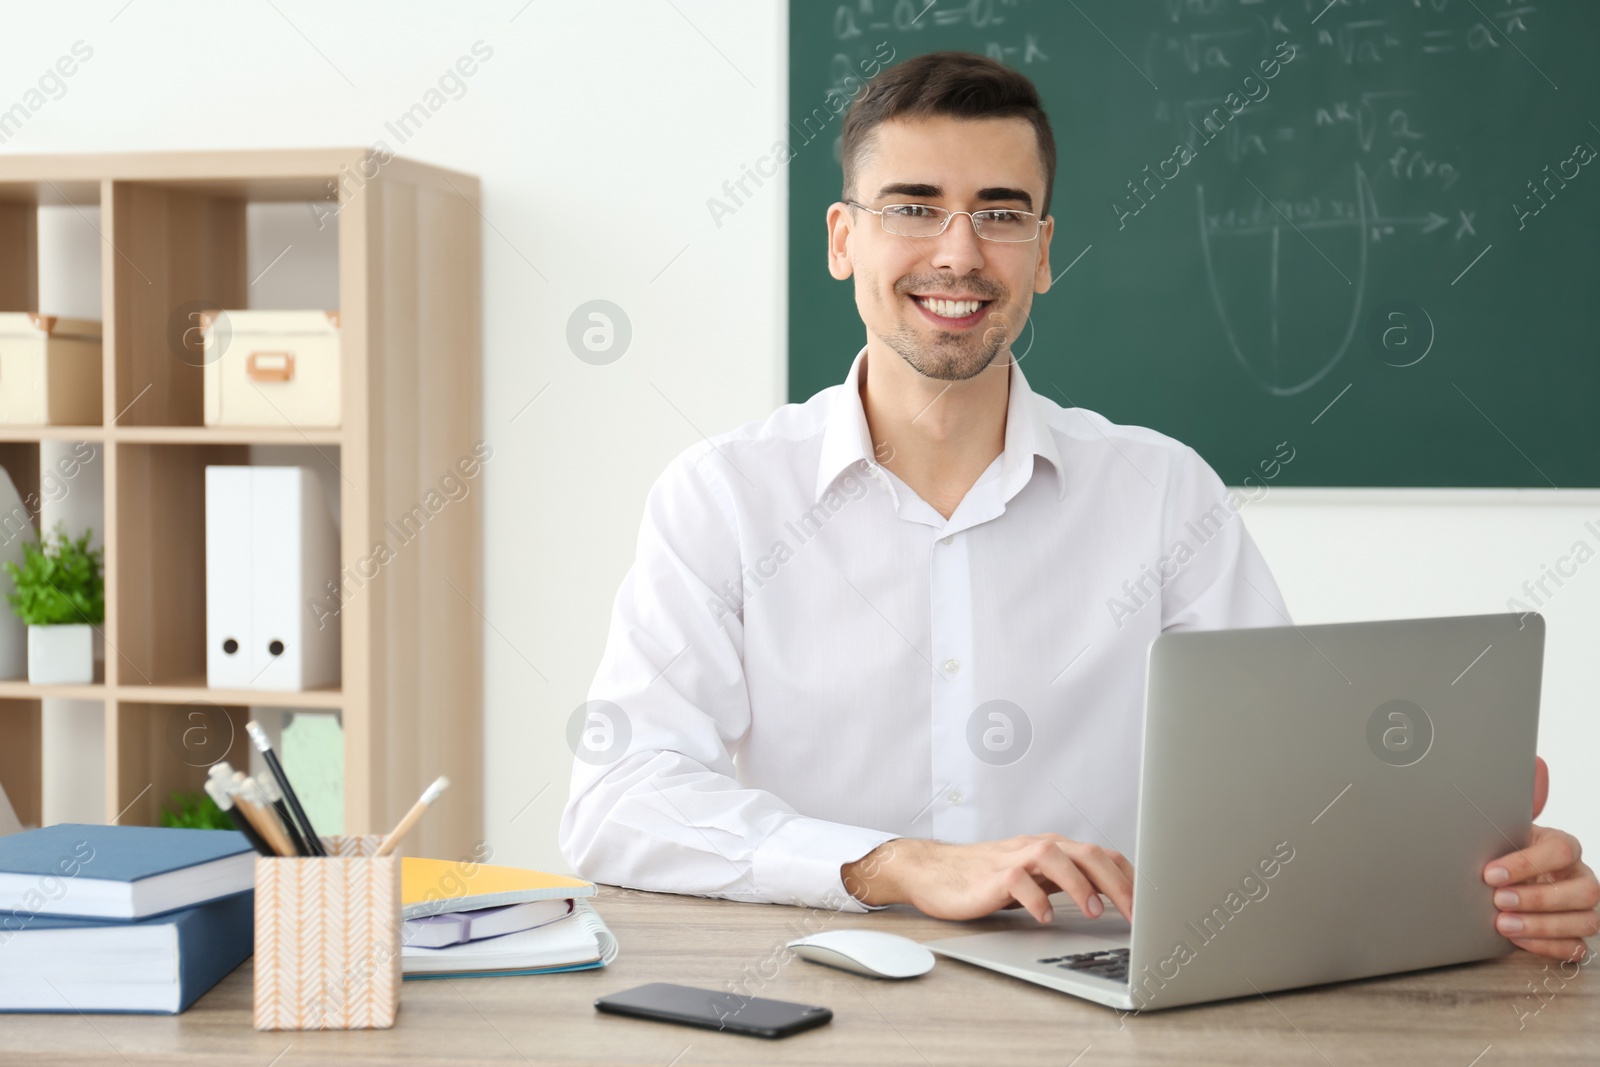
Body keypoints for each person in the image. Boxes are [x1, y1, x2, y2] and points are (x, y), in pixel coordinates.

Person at [560, 51, 1597, 965]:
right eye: (913, 205)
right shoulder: (726, 494)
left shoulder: (1160, 494)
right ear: (842, 239)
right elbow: (619, 800)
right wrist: (892, 862)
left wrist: (1487, 879)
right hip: (826, 996)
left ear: (1044, 251)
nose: (958, 252)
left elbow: (1297, 802)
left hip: (1106, 999)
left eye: (1000, 213)